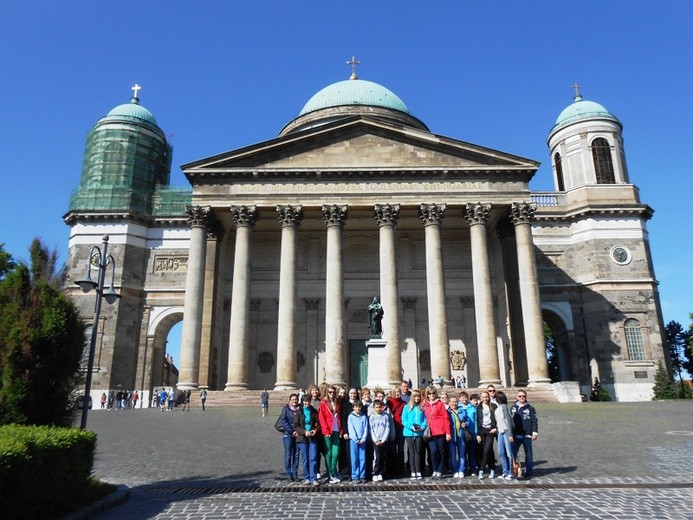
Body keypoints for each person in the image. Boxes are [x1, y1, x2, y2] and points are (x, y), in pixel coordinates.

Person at [423, 386, 451, 479]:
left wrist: (448, 432)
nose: (431, 395)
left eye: (433, 393)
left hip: (440, 431)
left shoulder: (439, 404)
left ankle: (440, 470)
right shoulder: (425, 404)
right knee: (433, 452)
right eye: (429, 393)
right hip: (430, 432)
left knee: (442, 452)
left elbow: (446, 418)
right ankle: (435, 470)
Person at [511, 390, 538, 479]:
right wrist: (510, 433)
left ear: (526, 397)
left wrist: (534, 433)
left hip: (527, 435)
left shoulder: (530, 408)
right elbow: (510, 421)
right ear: (517, 397)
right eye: (520, 396)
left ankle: (529, 471)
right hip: (516, 434)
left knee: (529, 454)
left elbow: (534, 421)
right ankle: (515, 470)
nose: (522, 398)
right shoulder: (513, 408)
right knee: (513, 453)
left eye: (523, 396)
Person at [294, 394, 320, 486]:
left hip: (312, 437)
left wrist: (314, 430)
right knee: (305, 459)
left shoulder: (314, 411)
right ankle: (306, 477)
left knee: (313, 458)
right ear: (302, 402)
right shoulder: (299, 412)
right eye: (304, 401)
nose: (306, 403)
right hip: (302, 438)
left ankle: (314, 478)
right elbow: (296, 426)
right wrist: (304, 432)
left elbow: (318, 423)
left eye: (308, 401)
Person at [318, 385, 342, 483]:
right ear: (327, 393)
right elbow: (321, 418)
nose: (332, 394)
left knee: (336, 453)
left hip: (336, 430)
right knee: (329, 453)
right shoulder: (323, 403)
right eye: (330, 392)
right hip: (327, 431)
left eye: (333, 392)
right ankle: (330, 474)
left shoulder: (338, 402)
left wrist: (341, 430)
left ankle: (332, 471)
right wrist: (326, 430)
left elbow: (339, 417)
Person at [402, 389, 426, 479]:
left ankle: (418, 470)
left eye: (418, 396)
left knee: (418, 452)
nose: (417, 398)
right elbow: (404, 420)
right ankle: (413, 471)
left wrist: (422, 427)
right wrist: (411, 426)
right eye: (415, 396)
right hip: (409, 432)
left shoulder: (421, 407)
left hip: (419, 433)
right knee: (411, 452)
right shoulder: (406, 407)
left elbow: (425, 420)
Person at [475, 390, 498, 479]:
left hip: (490, 431)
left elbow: (497, 418)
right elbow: (477, 421)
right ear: (481, 398)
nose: (485, 398)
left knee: (486, 450)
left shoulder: (494, 406)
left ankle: (481, 470)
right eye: (483, 397)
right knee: (489, 451)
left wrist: (496, 428)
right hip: (482, 431)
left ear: (489, 397)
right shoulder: (478, 407)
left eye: (486, 397)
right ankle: (493, 468)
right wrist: (477, 434)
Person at [278, 393, 300, 482]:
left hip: (298, 435)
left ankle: (295, 474)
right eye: (292, 400)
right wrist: (292, 431)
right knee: (288, 454)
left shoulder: (300, 409)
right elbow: (283, 421)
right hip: (288, 434)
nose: (294, 401)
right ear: (289, 401)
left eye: (295, 399)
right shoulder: (285, 409)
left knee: (296, 454)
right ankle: (288, 474)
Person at [387, 386, 407, 477]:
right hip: (392, 426)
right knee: (392, 448)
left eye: (399, 391)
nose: (397, 393)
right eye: (396, 392)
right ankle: (392, 468)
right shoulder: (389, 402)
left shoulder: (404, 403)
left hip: (401, 427)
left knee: (401, 448)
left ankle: (400, 469)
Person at [494, 390, 514, 480]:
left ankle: (511, 472)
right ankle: (505, 472)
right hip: (500, 432)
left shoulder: (504, 407)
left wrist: (510, 434)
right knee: (501, 452)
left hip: (506, 432)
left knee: (509, 453)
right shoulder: (497, 408)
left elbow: (508, 420)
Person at [347, 400, 368, 483]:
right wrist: (355, 438)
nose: (358, 408)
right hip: (354, 440)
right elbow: (351, 428)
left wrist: (363, 438)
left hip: (362, 440)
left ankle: (362, 475)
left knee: (362, 458)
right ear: (353, 408)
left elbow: (366, 428)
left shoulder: (364, 416)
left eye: (359, 407)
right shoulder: (351, 416)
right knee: (354, 458)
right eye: (356, 407)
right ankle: (355, 475)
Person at [447, 395, 468, 478]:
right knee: (453, 454)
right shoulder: (447, 412)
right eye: (452, 402)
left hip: (461, 435)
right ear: (449, 403)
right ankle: (455, 470)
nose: (454, 403)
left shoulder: (462, 411)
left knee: (462, 454)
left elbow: (467, 420)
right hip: (452, 435)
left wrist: (465, 424)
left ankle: (461, 470)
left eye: (455, 402)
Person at [368, 399, 390, 482]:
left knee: (383, 457)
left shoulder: (385, 416)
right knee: (377, 457)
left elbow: (387, 428)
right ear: (374, 408)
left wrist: (383, 440)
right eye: (376, 407)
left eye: (380, 407)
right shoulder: (372, 417)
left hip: (383, 440)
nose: (378, 409)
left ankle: (381, 472)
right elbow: (371, 429)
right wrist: (376, 440)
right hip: (376, 440)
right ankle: (375, 473)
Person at [460, 391, 478, 475]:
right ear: (459, 398)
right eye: (462, 397)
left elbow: (476, 420)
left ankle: (473, 469)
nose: (464, 399)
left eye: (465, 397)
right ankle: (463, 469)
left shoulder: (472, 407)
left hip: (472, 432)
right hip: (461, 433)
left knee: (472, 452)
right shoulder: (457, 407)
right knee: (462, 453)